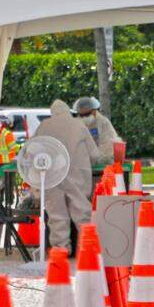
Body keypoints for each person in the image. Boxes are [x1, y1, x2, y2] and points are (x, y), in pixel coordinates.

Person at [32, 99, 98, 251]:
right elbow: (94, 154)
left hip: (52, 174)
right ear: (68, 110)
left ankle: (61, 249)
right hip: (77, 173)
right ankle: (89, 247)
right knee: (82, 211)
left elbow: (33, 151)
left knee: (57, 214)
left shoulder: (44, 126)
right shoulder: (78, 124)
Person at [72, 96, 120, 164]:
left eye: (87, 114)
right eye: (81, 115)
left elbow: (107, 146)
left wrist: (92, 158)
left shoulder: (103, 122)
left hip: (103, 160)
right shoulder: (77, 123)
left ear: (94, 111)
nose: (84, 117)